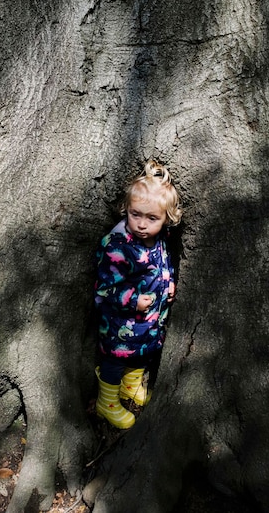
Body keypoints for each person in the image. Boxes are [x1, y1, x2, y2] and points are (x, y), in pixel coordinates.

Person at [94, 160, 182, 429]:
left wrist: (169, 283)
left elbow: (162, 264)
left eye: (152, 218)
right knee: (114, 360)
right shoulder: (119, 245)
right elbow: (105, 287)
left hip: (148, 322)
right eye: (135, 214)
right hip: (121, 324)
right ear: (127, 210)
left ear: (166, 218)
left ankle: (130, 388)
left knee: (142, 353)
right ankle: (106, 402)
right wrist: (133, 300)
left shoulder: (160, 238)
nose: (142, 224)